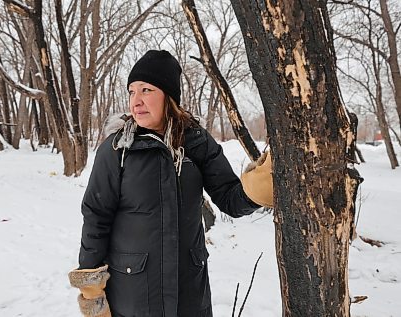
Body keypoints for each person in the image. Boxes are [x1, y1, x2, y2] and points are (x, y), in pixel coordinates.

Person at [68, 50, 273, 317]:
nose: (136, 100)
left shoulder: (196, 142)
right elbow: (96, 218)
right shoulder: (117, 150)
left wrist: (259, 187)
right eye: (132, 91)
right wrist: (92, 289)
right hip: (134, 295)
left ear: (168, 96)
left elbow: (229, 198)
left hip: (189, 293)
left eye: (146, 89)